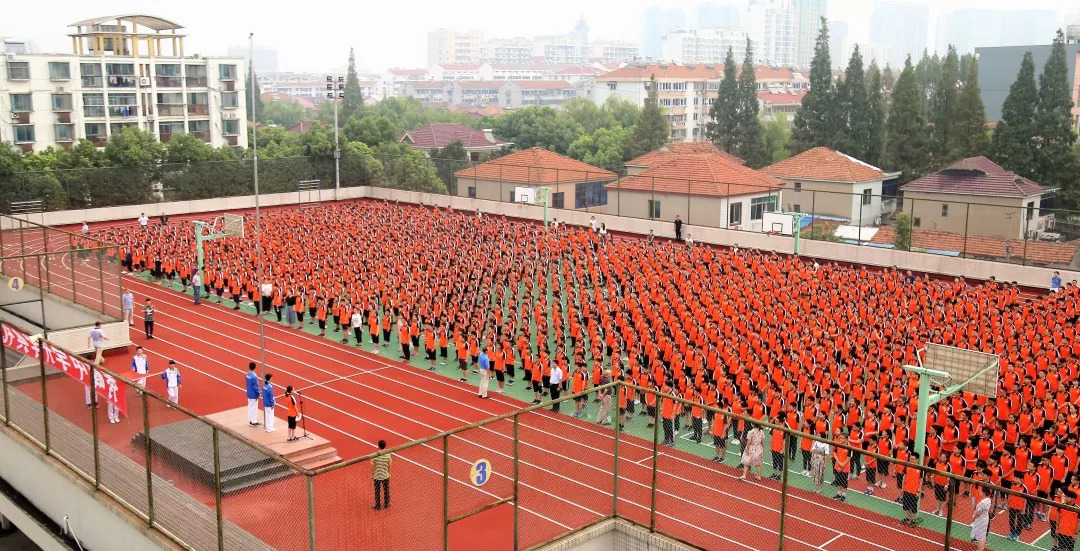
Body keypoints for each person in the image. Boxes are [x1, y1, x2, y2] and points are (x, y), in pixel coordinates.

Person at [970, 481, 992, 550]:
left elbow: (978, 513)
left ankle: (980, 549)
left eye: (981, 490)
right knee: (983, 535)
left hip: (980, 520)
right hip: (985, 518)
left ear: (984, 492)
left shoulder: (982, 502)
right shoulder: (988, 500)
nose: (980, 491)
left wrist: (973, 517)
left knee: (980, 537)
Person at [372, 439, 392, 510]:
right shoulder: (388, 455)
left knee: (377, 490)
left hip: (377, 476)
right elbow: (389, 465)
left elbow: (373, 466)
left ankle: (378, 505)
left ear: (378, 446)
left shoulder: (375, 455)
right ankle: (386, 503)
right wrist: (389, 473)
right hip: (385, 475)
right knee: (386, 489)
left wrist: (372, 474)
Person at [245, 362, 261, 426]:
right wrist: (258, 393)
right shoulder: (254, 376)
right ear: (255, 367)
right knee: (254, 408)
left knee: (250, 407)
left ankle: (251, 420)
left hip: (249, 393)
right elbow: (256, 386)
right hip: (253, 394)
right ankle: (253, 421)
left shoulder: (247, 374)